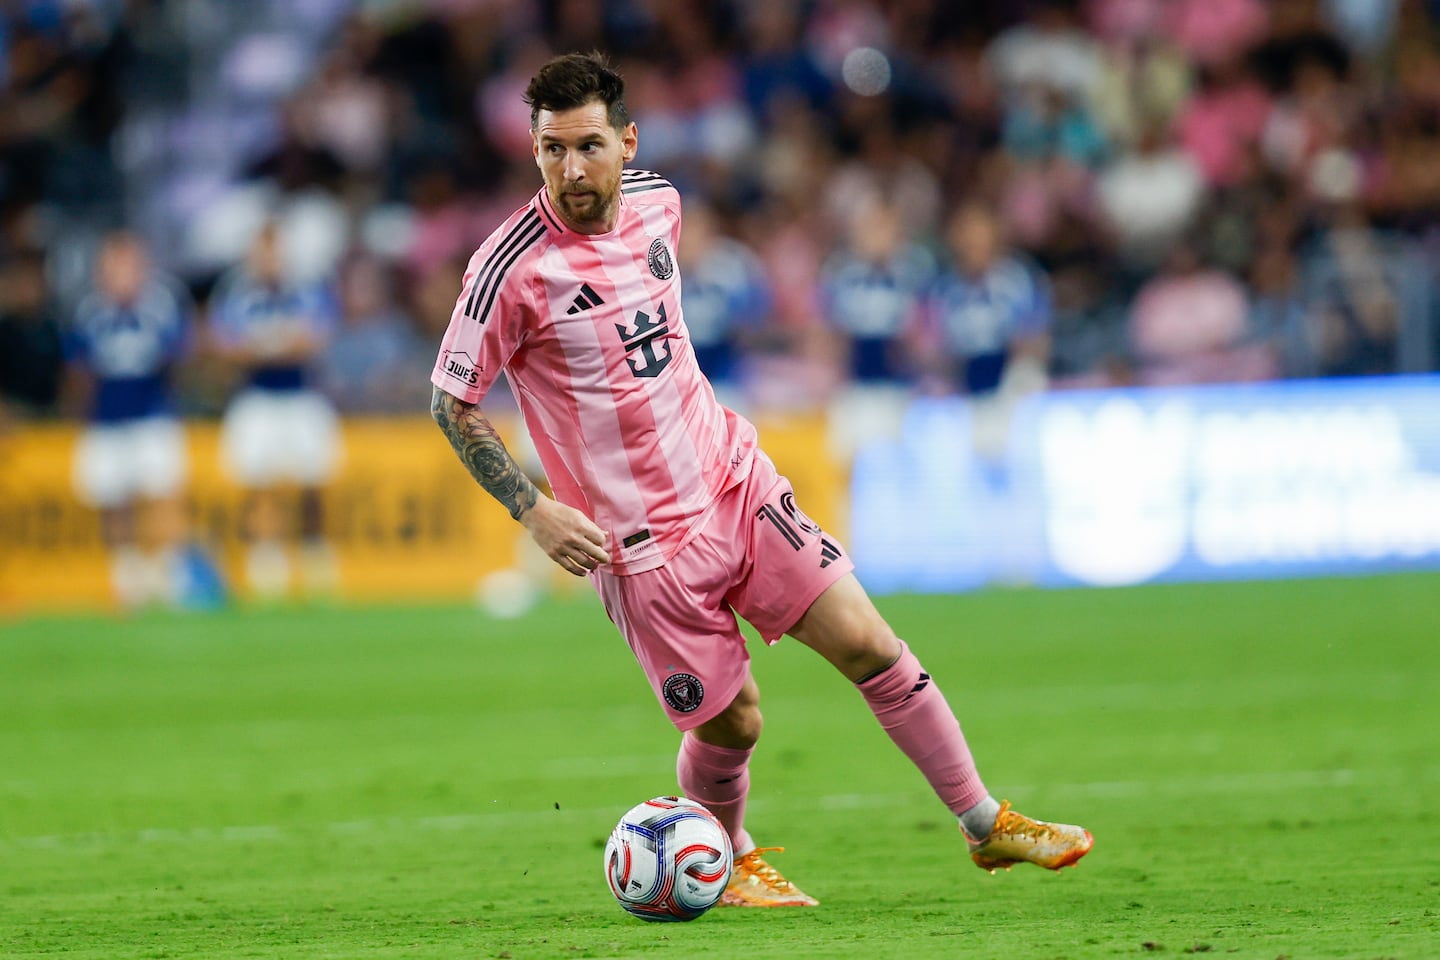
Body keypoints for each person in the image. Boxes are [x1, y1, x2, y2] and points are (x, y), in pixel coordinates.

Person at [429, 53, 1092, 908]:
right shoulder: (507, 268)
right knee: (735, 721)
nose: (571, 170)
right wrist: (532, 510)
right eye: (551, 150)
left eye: (589, 146)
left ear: (627, 141)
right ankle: (730, 855)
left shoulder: (661, 204)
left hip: (734, 481)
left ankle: (984, 822)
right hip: (643, 551)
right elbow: (451, 403)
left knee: (869, 643)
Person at [210, 221, 342, 599]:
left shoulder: (306, 287)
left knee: (313, 484)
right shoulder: (237, 291)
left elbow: (316, 339)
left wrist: (262, 345)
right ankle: (265, 562)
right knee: (256, 484)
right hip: (256, 399)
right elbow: (225, 347)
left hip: (301, 395)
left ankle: (316, 559)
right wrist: (280, 342)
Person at [65, 231, 194, 608]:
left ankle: (169, 572)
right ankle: (127, 575)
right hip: (106, 419)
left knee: (162, 493)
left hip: (152, 415)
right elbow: (78, 369)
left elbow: (178, 358)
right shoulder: (90, 312)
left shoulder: (161, 306)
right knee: (113, 497)